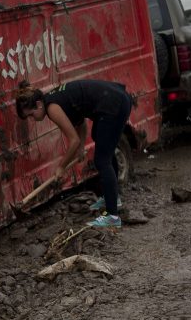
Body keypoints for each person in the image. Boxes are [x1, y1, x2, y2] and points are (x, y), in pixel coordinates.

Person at [15, 79, 132, 228]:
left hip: (114, 104)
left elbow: (73, 140)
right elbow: (80, 122)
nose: (33, 119)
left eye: (31, 115)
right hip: (117, 99)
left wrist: (61, 167)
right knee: (100, 142)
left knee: (102, 160)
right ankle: (113, 199)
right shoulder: (53, 100)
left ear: (38, 105)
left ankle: (112, 217)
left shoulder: (52, 108)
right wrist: (81, 147)